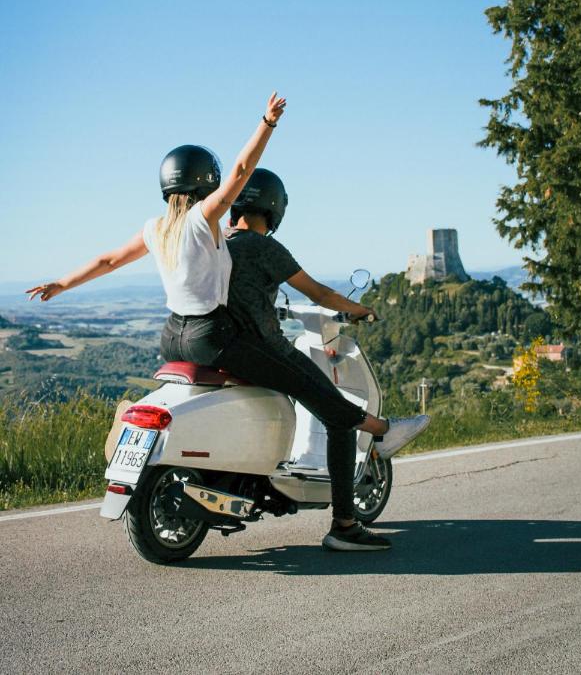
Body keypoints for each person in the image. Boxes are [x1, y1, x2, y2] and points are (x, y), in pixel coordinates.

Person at [27, 94, 426, 552]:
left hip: (173, 338)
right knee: (326, 403)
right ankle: (347, 516)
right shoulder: (202, 219)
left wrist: (60, 284)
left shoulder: (156, 228)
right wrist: (266, 123)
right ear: (207, 185)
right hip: (214, 336)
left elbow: (106, 259)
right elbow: (240, 172)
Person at [224, 168, 430, 552]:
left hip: (204, 344)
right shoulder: (265, 247)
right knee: (336, 412)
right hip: (256, 347)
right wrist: (360, 309)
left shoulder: (216, 242)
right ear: (274, 209)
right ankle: (345, 524)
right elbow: (317, 292)